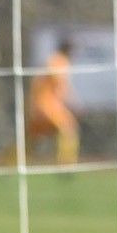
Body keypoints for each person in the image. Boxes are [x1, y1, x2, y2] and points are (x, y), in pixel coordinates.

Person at [24, 37, 79, 167]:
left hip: (45, 105)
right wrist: (73, 101)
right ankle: (65, 163)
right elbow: (57, 82)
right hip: (47, 106)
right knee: (68, 129)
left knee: (32, 136)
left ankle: (9, 163)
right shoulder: (58, 61)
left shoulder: (57, 60)